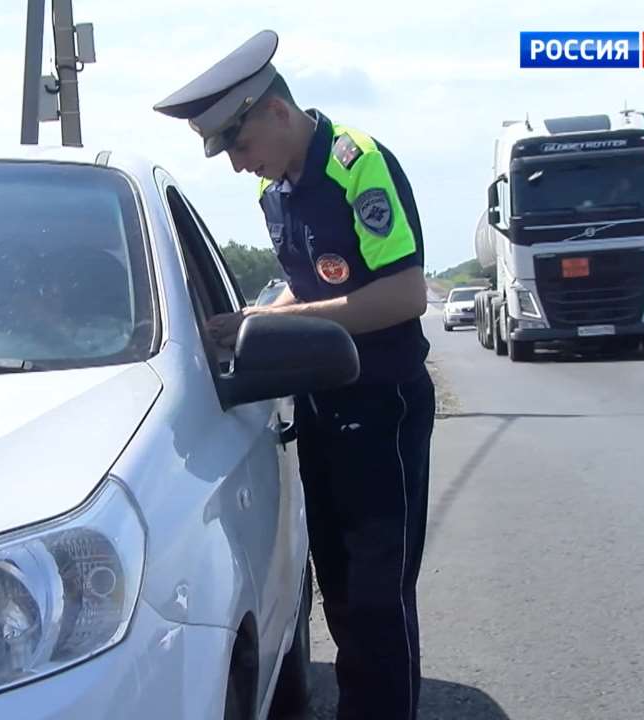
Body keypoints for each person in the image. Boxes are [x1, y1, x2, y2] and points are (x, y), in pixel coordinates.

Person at [153, 30, 435, 720]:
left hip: (382, 408)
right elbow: (301, 284)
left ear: (275, 111)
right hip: (321, 406)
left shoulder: (357, 166)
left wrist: (291, 317)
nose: (238, 166)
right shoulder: (277, 193)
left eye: (238, 145)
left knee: (376, 598)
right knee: (338, 590)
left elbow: (404, 294)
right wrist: (255, 319)